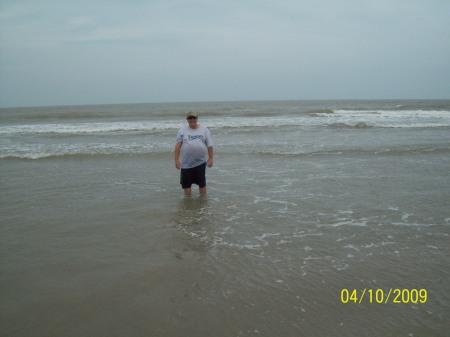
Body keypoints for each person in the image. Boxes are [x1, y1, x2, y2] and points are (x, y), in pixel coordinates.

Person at [174, 112, 214, 196]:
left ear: (197, 118)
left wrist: (210, 159)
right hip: (186, 165)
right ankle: (188, 205)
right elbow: (178, 146)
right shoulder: (182, 130)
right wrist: (176, 160)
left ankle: (202, 204)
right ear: (187, 119)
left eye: (194, 118)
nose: (192, 120)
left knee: (202, 185)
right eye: (190, 118)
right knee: (186, 186)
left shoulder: (204, 129)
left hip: (200, 163)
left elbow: (209, 145)